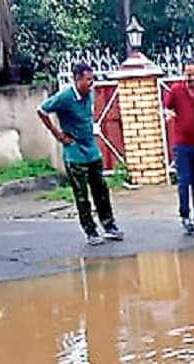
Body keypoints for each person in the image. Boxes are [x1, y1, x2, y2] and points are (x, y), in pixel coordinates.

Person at [38, 63, 123, 246]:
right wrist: (57, 134)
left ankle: (109, 225)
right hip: (74, 153)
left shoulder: (88, 95)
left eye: (92, 79)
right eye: (88, 79)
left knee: (101, 189)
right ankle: (90, 230)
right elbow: (42, 110)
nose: (91, 83)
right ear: (77, 79)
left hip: (91, 150)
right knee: (82, 194)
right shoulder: (65, 97)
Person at [163, 58, 194, 235]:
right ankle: (185, 216)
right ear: (183, 74)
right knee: (184, 181)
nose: (191, 78)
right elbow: (166, 107)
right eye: (188, 74)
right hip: (182, 145)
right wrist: (168, 113)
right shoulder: (176, 89)